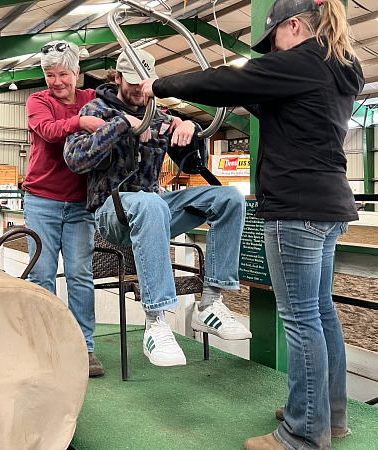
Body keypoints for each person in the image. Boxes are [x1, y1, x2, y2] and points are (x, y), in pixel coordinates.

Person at [140, 0, 364, 449]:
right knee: (321, 313)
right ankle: (328, 415)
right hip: (329, 204)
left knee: (301, 320)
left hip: (295, 207)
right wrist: (245, 93)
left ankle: (303, 433)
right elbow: (279, 107)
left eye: (274, 40)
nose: (271, 52)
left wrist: (159, 84)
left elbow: (230, 79)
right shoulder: (338, 66)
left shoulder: (304, 59)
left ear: (295, 26)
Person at [64, 49, 251, 368]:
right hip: (111, 211)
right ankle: (155, 322)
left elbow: (192, 163)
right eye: (133, 83)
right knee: (151, 203)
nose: (139, 90)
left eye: (145, 85)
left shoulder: (160, 114)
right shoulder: (97, 109)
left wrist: (191, 135)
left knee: (229, 198)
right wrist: (122, 126)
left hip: (153, 208)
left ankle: (210, 305)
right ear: (118, 77)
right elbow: (74, 159)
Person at [23, 40, 106, 377]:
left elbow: (122, 113)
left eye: (62, 74)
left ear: (77, 73)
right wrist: (80, 123)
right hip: (41, 200)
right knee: (43, 277)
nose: (56, 81)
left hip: (79, 206)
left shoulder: (91, 99)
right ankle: (48, 347)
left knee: (80, 276)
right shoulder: (37, 101)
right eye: (49, 74)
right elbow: (48, 130)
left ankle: (85, 348)